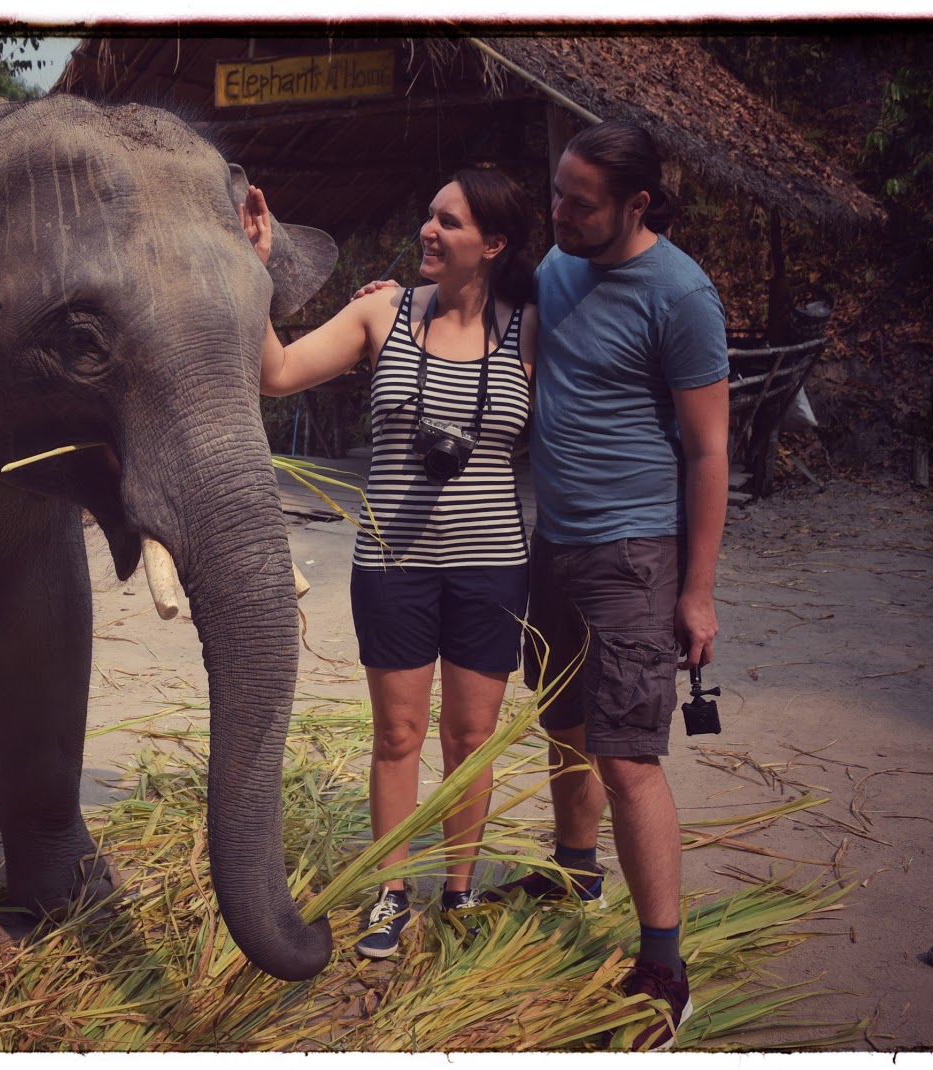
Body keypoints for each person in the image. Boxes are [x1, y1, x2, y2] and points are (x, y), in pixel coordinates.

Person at [240, 167, 539, 959]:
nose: (428, 231)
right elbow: (276, 374)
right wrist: (260, 269)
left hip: (492, 565)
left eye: (449, 222)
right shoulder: (383, 310)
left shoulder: (533, 326)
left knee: (471, 737)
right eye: (429, 215)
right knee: (398, 734)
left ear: (495, 244)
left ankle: (460, 889)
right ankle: (392, 892)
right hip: (393, 563)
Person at [490, 120, 727, 1050]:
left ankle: (665, 966)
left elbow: (707, 452)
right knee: (565, 722)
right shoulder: (559, 265)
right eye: (557, 192)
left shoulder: (682, 294)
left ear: (637, 204)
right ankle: (574, 871)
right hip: (555, 542)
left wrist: (697, 591)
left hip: (634, 554)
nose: (559, 213)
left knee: (628, 756)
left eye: (579, 203)